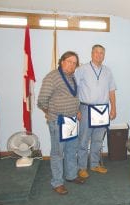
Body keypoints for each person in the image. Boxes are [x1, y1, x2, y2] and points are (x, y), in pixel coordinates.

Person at [38, 51, 85, 195]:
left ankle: (71, 175)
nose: (72, 65)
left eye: (74, 63)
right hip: (58, 121)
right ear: (62, 62)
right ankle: (57, 183)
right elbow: (42, 100)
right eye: (69, 61)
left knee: (71, 150)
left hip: (71, 120)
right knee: (57, 153)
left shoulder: (72, 77)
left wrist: (76, 110)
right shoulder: (52, 77)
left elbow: (73, 96)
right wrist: (50, 112)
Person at [75, 44, 116, 179]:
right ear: (92, 54)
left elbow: (111, 90)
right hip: (86, 108)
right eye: (96, 52)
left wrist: (113, 108)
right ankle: (81, 167)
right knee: (84, 139)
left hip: (102, 109)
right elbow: (74, 89)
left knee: (98, 139)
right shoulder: (82, 69)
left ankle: (94, 164)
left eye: (102, 53)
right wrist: (76, 109)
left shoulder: (107, 71)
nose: (99, 55)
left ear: (104, 55)